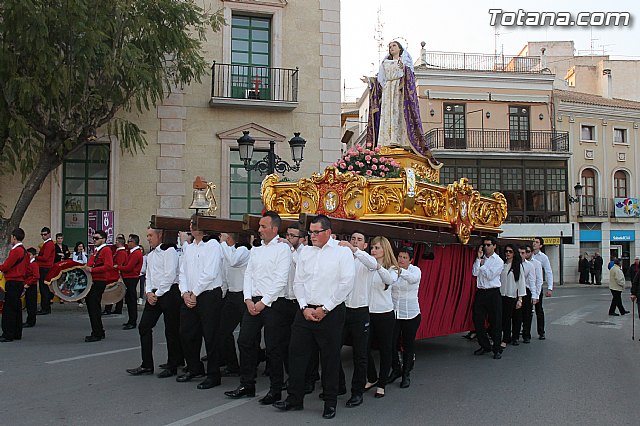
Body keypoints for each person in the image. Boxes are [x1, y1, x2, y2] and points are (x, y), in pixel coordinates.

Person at [273, 215, 355, 420]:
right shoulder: (306, 253)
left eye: (317, 232)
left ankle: (330, 402)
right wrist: (303, 307)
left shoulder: (341, 253)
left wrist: (325, 309)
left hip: (331, 312)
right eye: (310, 232)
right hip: (305, 311)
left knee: (329, 358)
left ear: (328, 232)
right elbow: (298, 282)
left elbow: (346, 283)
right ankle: (294, 399)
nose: (313, 236)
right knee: (296, 355)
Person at [225, 212, 291, 404]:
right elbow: (249, 275)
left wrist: (264, 302)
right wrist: (247, 299)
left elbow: (280, 279)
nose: (260, 230)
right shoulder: (256, 250)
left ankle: (275, 389)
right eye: (260, 227)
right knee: (245, 341)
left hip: (273, 303)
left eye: (263, 227)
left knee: (273, 347)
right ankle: (247, 384)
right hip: (253, 301)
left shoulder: (282, 249)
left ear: (274, 229)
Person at [126, 228, 184, 378]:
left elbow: (170, 275)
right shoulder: (150, 255)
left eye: (151, 235)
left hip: (169, 293)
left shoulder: (169, 252)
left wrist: (157, 294)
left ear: (160, 235)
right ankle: (146, 364)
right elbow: (148, 276)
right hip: (155, 294)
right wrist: (148, 292)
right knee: (144, 326)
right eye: (147, 236)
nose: (148, 238)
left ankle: (173, 364)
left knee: (171, 330)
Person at [364, 41, 435, 159]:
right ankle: (386, 141)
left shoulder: (404, 62)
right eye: (390, 47)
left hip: (398, 91)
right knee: (387, 115)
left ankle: (400, 141)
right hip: (388, 92)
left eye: (394, 46)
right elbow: (380, 80)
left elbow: (410, 77)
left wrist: (405, 69)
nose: (391, 48)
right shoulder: (385, 63)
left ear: (400, 48)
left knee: (398, 114)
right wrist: (370, 81)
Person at [177, 220, 224, 389]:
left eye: (195, 224)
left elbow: (210, 273)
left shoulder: (212, 245)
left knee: (210, 336)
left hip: (208, 295)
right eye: (191, 224)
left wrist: (195, 292)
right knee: (186, 332)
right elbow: (182, 271)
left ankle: (213, 374)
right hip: (190, 295)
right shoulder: (188, 247)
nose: (191, 227)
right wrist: (185, 293)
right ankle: (194, 367)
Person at [336, 231, 377, 407]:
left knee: (360, 355)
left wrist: (354, 250)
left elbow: (374, 264)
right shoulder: (343, 259)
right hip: (342, 310)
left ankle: (357, 391)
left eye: (360, 240)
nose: (355, 241)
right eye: (353, 239)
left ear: (365, 245)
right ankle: (339, 385)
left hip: (360, 312)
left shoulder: (366, 260)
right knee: (332, 349)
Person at [363, 236, 399, 399]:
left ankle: (382, 384)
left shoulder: (393, 268)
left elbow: (389, 280)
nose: (373, 250)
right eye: (372, 247)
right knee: (363, 348)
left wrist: (377, 266)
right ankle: (372, 377)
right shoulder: (368, 266)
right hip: (368, 312)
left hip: (385, 314)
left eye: (377, 248)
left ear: (385, 249)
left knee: (386, 349)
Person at [216, 231, 251, 377]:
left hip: (243, 295)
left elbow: (233, 261)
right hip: (232, 294)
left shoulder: (243, 249)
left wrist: (223, 243)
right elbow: (225, 273)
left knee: (247, 335)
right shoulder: (228, 251)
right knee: (222, 331)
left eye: (224, 235)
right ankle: (232, 364)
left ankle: (249, 366)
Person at [388, 246, 422, 389]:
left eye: (404, 258)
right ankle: (396, 369)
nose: (401, 260)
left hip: (411, 313)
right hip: (394, 312)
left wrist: (400, 271)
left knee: (408, 344)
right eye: (399, 257)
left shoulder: (415, 270)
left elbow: (413, 279)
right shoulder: (392, 269)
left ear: (411, 260)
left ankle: (406, 374)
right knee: (390, 344)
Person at [471, 236, 504, 359]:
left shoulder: (498, 261)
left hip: (493, 292)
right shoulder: (481, 259)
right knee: (477, 319)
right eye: (484, 245)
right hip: (481, 292)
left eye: (489, 245)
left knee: (495, 321)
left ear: (494, 246)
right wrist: (479, 259)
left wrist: (483, 266)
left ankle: (497, 348)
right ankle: (485, 345)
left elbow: (490, 275)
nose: (486, 247)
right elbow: (475, 273)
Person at [83, 230, 113, 342]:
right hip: (94, 280)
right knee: (92, 306)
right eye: (93, 238)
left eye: (96, 238)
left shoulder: (105, 250)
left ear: (103, 239)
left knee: (93, 306)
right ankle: (98, 330)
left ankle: (97, 332)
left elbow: (108, 266)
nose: (94, 240)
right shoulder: (98, 250)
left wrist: (92, 269)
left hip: (98, 281)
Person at [0, 228, 29, 342]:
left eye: (11, 237)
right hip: (20, 281)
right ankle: (17, 332)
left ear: (14, 238)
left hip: (12, 281)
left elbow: (6, 266)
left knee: (9, 309)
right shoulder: (24, 251)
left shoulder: (15, 251)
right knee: (17, 308)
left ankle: (8, 334)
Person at [499, 244, 525, 350]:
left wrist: (520, 298)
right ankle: (506, 337)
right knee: (505, 318)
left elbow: (521, 282)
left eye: (510, 251)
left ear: (514, 253)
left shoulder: (517, 266)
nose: (508, 253)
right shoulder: (502, 265)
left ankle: (514, 337)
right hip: (502, 295)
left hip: (512, 295)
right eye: (506, 251)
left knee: (515, 318)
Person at [513, 245, 540, 345]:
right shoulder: (513, 264)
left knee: (527, 315)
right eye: (519, 253)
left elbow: (532, 281)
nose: (521, 255)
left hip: (526, 291)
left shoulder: (530, 266)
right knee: (516, 315)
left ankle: (526, 335)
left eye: (523, 253)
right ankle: (515, 336)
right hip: (515, 291)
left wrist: (535, 295)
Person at [117, 234, 144, 329]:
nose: (127, 243)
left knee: (132, 300)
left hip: (132, 277)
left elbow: (129, 267)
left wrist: (118, 267)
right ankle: (130, 320)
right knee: (129, 300)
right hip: (129, 277)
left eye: (129, 241)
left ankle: (132, 321)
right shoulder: (131, 252)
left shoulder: (136, 253)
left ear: (134, 242)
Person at [532, 237, 553, 340]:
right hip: (527, 285)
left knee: (539, 310)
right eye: (533, 242)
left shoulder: (543, 257)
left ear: (540, 245)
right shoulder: (528, 255)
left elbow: (548, 272)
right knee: (525, 310)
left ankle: (541, 331)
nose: (534, 244)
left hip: (537, 286)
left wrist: (550, 288)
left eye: (536, 242)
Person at [103, 236, 128, 315]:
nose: (115, 242)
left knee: (112, 291)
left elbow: (119, 264)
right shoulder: (120, 252)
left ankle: (109, 309)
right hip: (115, 274)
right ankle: (116, 308)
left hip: (115, 275)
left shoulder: (121, 253)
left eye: (117, 241)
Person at [36, 227, 55, 315]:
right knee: (44, 288)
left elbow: (45, 257)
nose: (43, 236)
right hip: (45, 267)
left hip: (45, 268)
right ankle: (45, 307)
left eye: (45, 234)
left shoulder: (49, 244)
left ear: (49, 234)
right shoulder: (47, 244)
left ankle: (45, 308)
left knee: (44, 289)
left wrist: (36, 257)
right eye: (42, 235)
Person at [23, 248, 40, 327]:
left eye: (29, 255)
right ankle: (29, 320)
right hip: (28, 284)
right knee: (29, 304)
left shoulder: (34, 264)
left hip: (31, 286)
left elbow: (36, 276)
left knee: (31, 304)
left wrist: (28, 284)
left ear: (34, 256)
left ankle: (31, 321)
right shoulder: (28, 263)